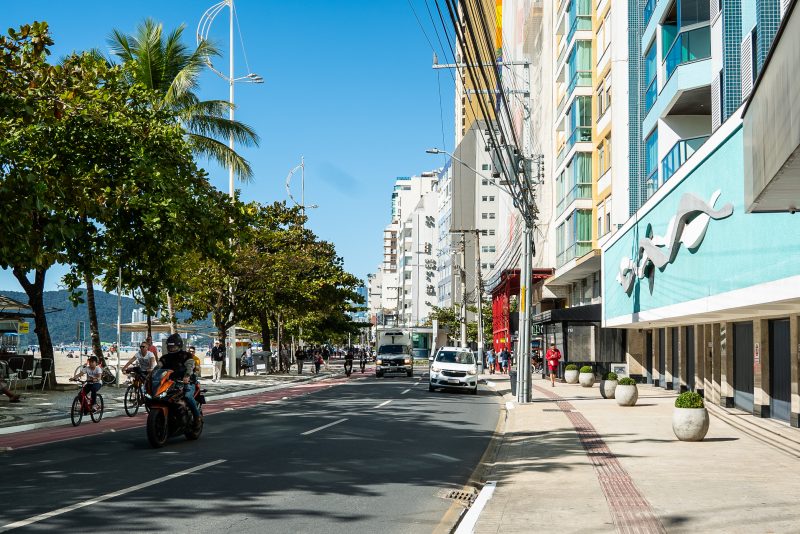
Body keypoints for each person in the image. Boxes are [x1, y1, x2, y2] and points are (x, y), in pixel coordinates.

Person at [157, 333, 201, 429]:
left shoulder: (186, 355)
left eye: (174, 347)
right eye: (170, 347)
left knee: (188, 397)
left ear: (179, 345)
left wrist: (187, 376)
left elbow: (190, 366)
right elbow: (158, 368)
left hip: (186, 382)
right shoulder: (164, 358)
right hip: (170, 383)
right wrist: (150, 374)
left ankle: (197, 418)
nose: (172, 348)